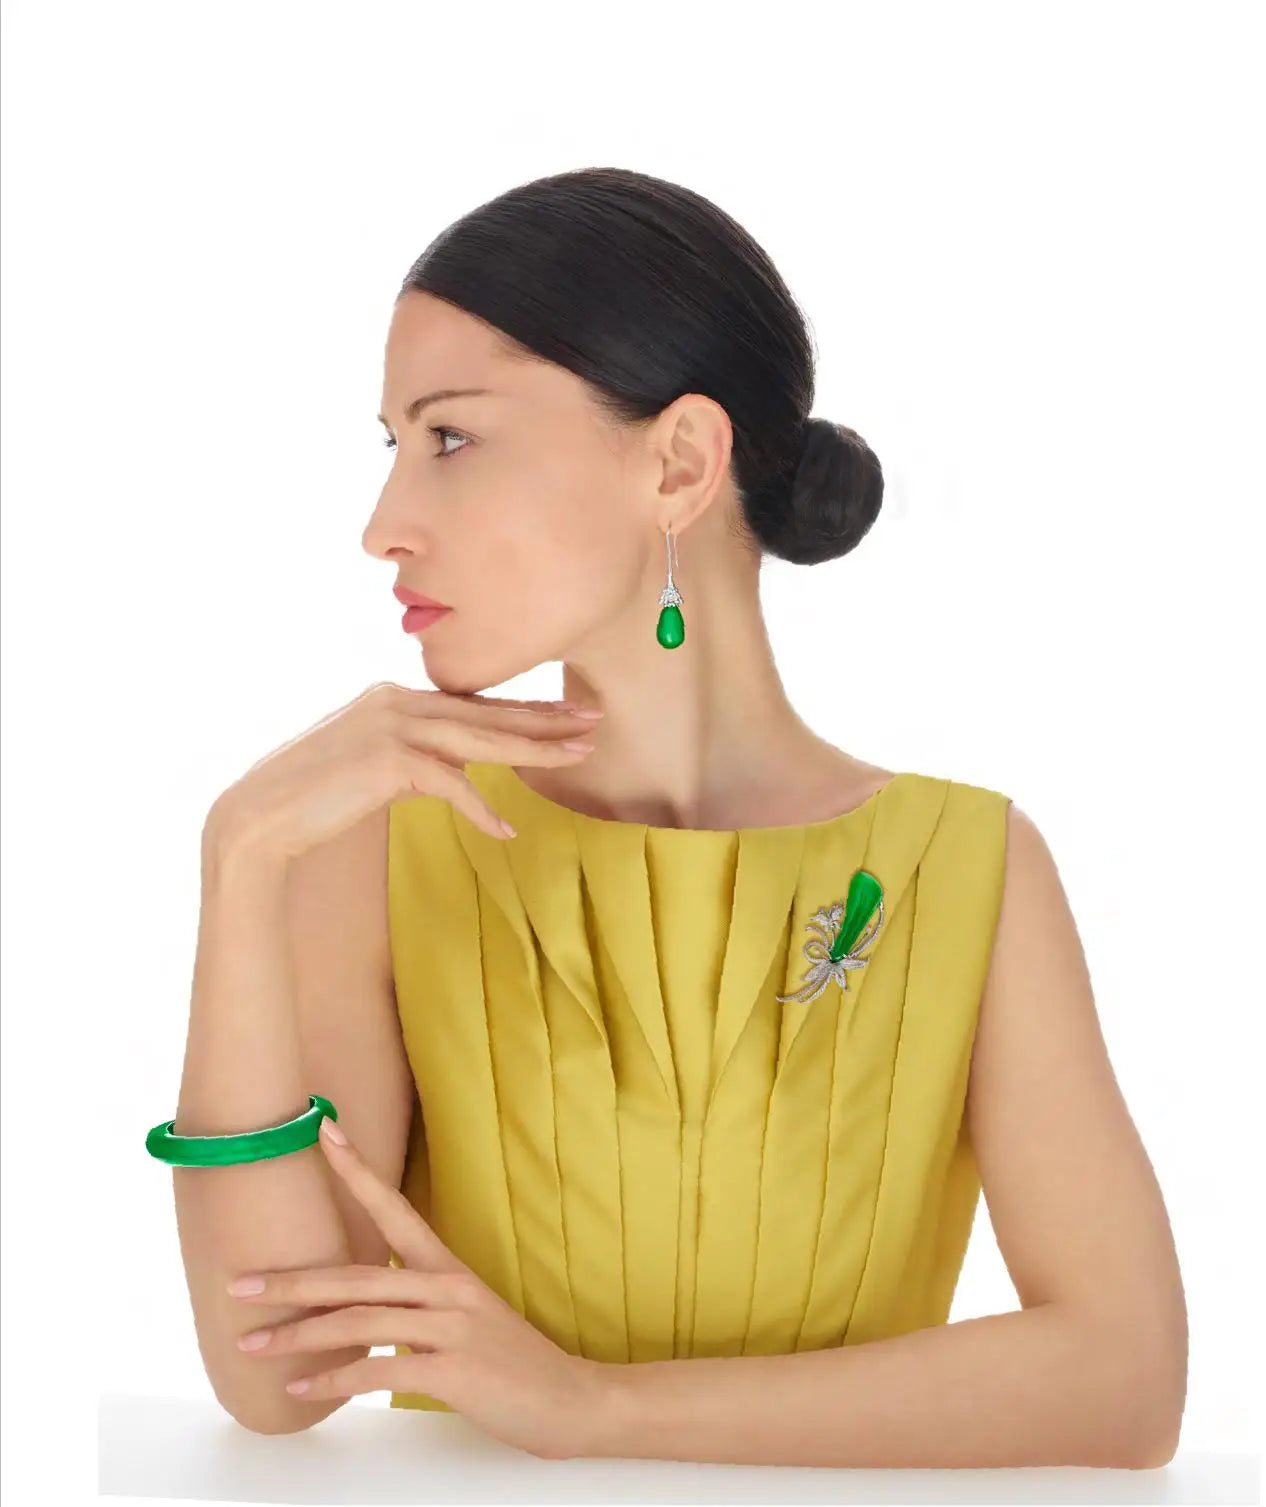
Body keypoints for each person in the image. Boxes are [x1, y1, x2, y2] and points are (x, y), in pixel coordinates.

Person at [156, 167, 1186, 1467]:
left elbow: (1126, 1381)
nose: (383, 527)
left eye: (450, 438)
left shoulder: (968, 866)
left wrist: (596, 1409)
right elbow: (281, 1378)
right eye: (392, 447)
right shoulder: (382, 844)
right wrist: (241, 857)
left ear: (681, 461)